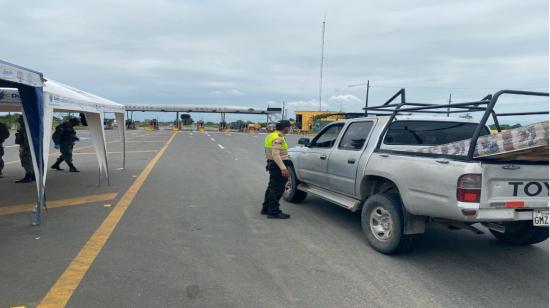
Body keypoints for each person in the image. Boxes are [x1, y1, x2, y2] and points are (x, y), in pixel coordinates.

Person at [261, 120, 292, 219]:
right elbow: (275, 154)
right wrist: (283, 168)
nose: (290, 129)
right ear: (285, 128)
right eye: (289, 127)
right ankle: (273, 212)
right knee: (277, 189)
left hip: (272, 164)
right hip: (278, 165)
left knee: (271, 187)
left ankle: (266, 208)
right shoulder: (278, 138)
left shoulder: (271, 135)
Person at [14, 116, 35, 183]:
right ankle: (33, 176)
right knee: (31, 161)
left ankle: (28, 177)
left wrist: (25, 148)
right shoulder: (30, 127)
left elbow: (27, 140)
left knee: (26, 162)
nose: (19, 122)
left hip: (27, 148)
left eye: (20, 121)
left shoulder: (25, 128)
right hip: (30, 148)